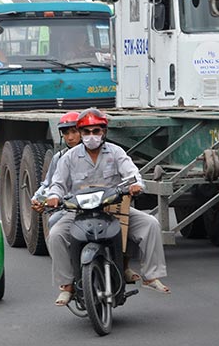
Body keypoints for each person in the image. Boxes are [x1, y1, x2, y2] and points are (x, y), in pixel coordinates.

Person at [46, 108, 170, 306]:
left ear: (104, 132)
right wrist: (53, 196)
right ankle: (66, 285)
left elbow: (131, 173)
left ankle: (150, 276)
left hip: (114, 209)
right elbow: (58, 184)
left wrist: (136, 185)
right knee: (56, 235)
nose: (91, 136)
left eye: (96, 131)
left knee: (150, 223)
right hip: (78, 212)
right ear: (81, 133)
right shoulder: (68, 158)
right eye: (86, 132)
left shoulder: (115, 152)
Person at [31, 111, 81, 215]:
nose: (70, 137)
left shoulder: (99, 154)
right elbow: (49, 184)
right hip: (68, 210)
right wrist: (37, 198)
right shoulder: (59, 158)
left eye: (74, 131)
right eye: (66, 133)